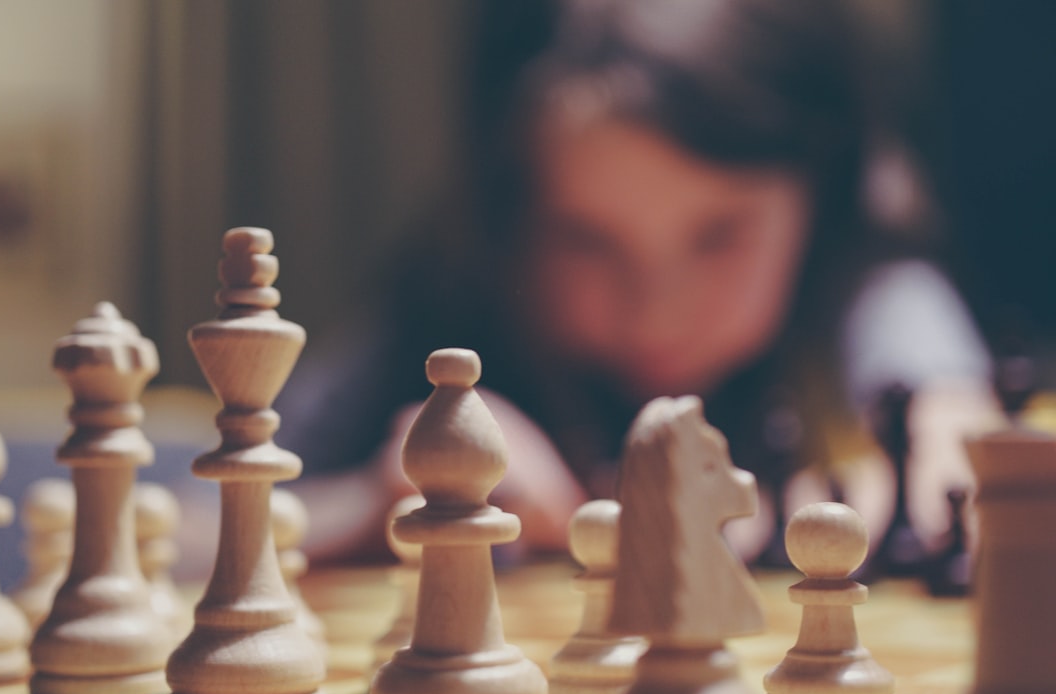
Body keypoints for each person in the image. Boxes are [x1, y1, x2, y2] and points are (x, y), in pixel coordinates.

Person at [276, 0, 1003, 565]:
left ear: (824, 197)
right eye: (585, 241)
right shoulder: (452, 290)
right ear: (511, 214)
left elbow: (964, 464)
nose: (657, 311)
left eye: (720, 237)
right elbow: (200, 523)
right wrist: (377, 507)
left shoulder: (874, 281)